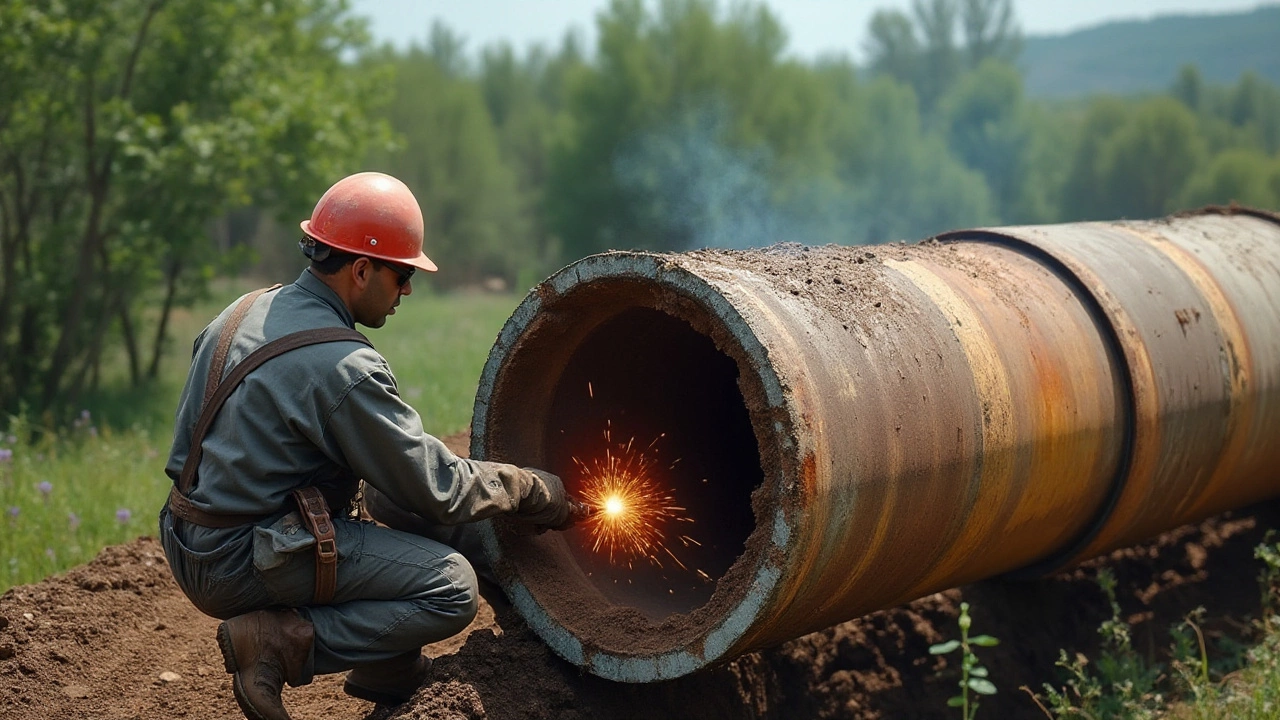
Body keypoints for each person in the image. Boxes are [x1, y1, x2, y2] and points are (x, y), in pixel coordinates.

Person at [159, 171, 579, 720]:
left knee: (388, 501)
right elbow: (440, 488)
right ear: (361, 270)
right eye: (403, 274)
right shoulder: (343, 365)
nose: (407, 289)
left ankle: (388, 668)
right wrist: (533, 489)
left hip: (186, 536)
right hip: (242, 560)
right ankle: (277, 644)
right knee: (450, 586)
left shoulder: (241, 311)